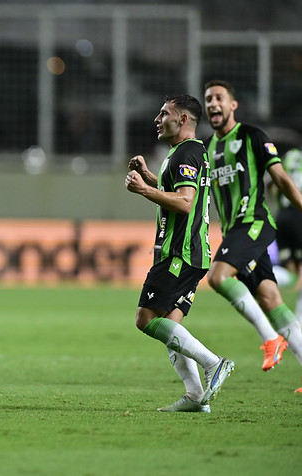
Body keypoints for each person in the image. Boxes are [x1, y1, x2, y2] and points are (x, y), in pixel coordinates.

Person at [126, 94, 234, 412]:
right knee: (169, 323)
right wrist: (149, 177)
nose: (157, 120)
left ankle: (214, 364)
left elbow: (185, 203)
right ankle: (195, 396)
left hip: (180, 251)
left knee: (145, 318)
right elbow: (179, 190)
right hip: (192, 252)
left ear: (183, 119)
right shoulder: (187, 153)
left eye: (164, 114)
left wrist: (144, 190)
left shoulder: (186, 152)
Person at [203, 80, 302, 392]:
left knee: (217, 277)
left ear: (233, 105)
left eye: (219, 98)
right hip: (235, 231)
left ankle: (270, 338)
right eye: (207, 99)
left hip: (254, 223)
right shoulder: (210, 148)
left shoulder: (251, 136)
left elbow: (281, 178)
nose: (212, 104)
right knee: (271, 298)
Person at [270, 148, 302, 321]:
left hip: (281, 216)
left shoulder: (289, 156)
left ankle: (258, 280)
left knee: (289, 267)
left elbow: (271, 181)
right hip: (299, 214)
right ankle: (299, 322)